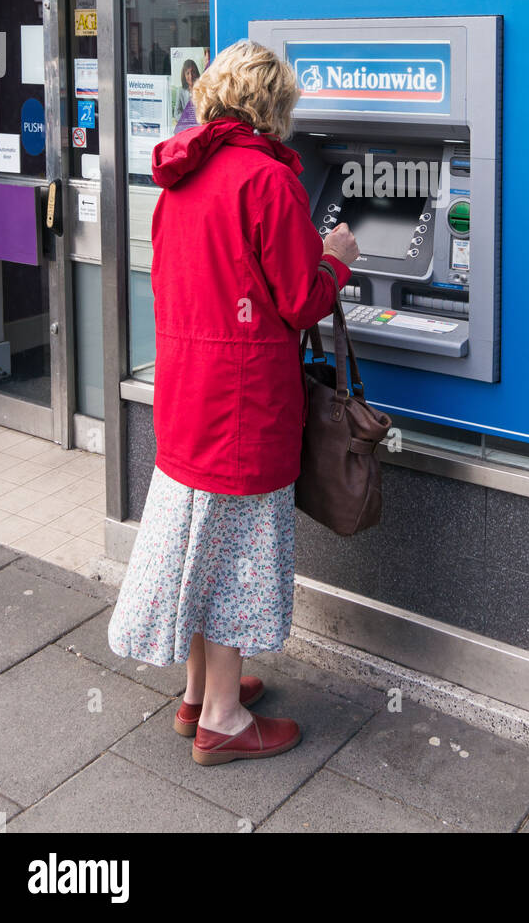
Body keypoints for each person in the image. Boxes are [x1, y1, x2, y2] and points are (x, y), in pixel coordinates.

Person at [107, 40, 359, 766]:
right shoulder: (267, 181)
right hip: (243, 404)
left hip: (188, 393)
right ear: (274, 106)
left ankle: (198, 693)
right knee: (237, 560)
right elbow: (298, 298)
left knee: (199, 548)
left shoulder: (182, 174)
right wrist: (336, 254)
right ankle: (222, 719)